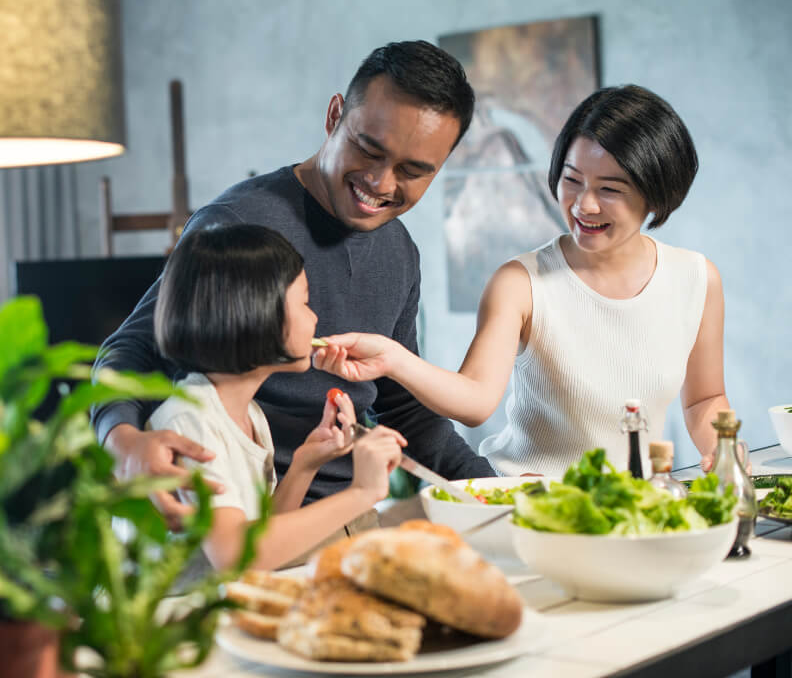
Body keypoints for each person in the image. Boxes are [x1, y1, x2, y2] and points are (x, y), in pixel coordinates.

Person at [92, 40, 495, 529]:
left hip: (348, 513)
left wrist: (498, 491)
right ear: (334, 116)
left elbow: (405, 409)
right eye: (369, 149)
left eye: (413, 171)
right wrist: (122, 442)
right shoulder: (238, 222)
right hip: (244, 517)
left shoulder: (399, 251)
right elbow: (131, 349)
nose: (382, 183)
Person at [313, 84, 730, 475]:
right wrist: (393, 358)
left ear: (656, 194)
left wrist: (722, 451)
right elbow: (475, 399)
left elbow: (704, 399)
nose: (583, 204)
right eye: (571, 180)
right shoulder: (521, 282)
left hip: (626, 510)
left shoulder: (696, 278)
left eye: (610, 190)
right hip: (524, 505)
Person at [149, 223, 405, 570]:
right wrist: (362, 492)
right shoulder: (189, 420)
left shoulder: (249, 413)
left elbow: (264, 535)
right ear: (256, 313)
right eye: (304, 301)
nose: (315, 317)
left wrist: (304, 464)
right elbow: (235, 554)